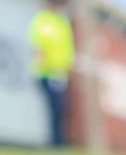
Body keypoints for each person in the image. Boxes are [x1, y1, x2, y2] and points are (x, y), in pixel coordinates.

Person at [28, 0, 76, 147]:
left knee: (61, 109)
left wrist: (66, 68)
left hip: (60, 73)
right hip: (46, 73)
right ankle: (55, 142)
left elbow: (67, 47)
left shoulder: (63, 22)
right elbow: (38, 46)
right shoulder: (42, 20)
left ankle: (59, 140)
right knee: (54, 108)